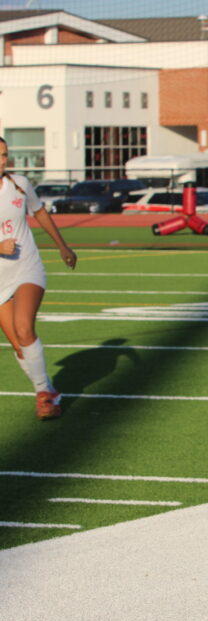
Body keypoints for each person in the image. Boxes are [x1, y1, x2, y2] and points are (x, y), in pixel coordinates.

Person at [0, 136, 77, 419]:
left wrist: (62, 245)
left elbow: (39, 212)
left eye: (5, 155)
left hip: (26, 267)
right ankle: (47, 390)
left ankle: (44, 395)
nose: (2, 161)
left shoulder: (19, 184)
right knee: (19, 346)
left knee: (24, 328)